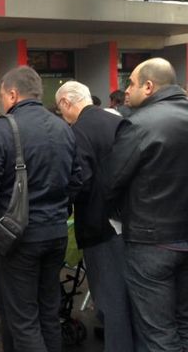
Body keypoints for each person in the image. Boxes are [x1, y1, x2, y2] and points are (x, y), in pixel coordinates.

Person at [0, 66, 81, 352]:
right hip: (55, 231)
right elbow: (78, 178)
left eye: (2, 95)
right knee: (48, 313)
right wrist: (59, 207)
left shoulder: (4, 128)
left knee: (23, 320)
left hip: (18, 237)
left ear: (12, 93)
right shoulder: (63, 127)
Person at [102, 57, 188, 352]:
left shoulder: (138, 124)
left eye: (132, 83)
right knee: (184, 323)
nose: (126, 90)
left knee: (157, 333)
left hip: (151, 242)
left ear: (149, 87)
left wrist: (112, 214)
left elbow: (111, 182)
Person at [56, 80, 135, 352]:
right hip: (130, 220)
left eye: (60, 108)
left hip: (99, 225)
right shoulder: (119, 121)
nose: (61, 115)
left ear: (67, 102)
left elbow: (80, 181)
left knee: (111, 302)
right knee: (129, 298)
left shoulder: (78, 131)